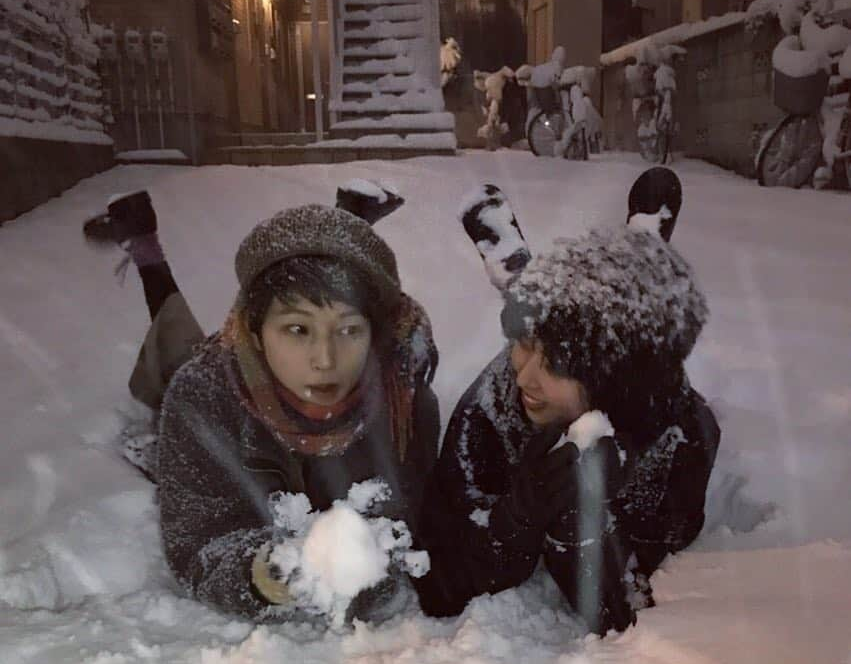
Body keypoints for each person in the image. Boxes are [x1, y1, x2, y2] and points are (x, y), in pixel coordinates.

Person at [84, 189, 439, 624]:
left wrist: (373, 554)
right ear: (253, 331)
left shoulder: (402, 396)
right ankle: (144, 246)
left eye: (349, 330)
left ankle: (344, 222)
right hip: (217, 377)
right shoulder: (202, 393)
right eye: (296, 330)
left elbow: (407, 520)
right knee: (173, 345)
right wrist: (270, 572)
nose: (324, 360)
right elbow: (198, 545)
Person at [412, 191, 719, 636]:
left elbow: (626, 610)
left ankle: (643, 247)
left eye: (555, 364)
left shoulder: (681, 438)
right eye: (523, 345)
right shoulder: (489, 415)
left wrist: (581, 526)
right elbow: (443, 587)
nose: (524, 378)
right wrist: (520, 514)